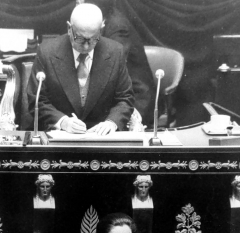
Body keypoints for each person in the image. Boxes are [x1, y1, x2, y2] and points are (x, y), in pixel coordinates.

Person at [27, 3, 134, 135]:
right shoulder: (47, 52)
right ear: (69, 28)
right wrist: (62, 122)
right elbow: (37, 99)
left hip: (100, 139)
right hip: (59, 139)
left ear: (102, 29)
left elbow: (125, 98)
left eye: (94, 39)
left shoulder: (116, 52)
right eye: (80, 39)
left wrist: (111, 123)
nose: (86, 46)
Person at [76, 0, 156, 127]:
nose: (77, 5)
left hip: (135, 101)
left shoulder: (118, 28)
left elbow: (110, 70)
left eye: (80, 2)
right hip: (114, 97)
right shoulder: (103, 20)